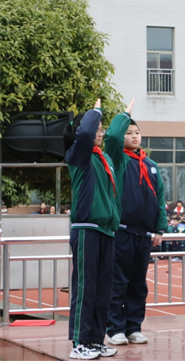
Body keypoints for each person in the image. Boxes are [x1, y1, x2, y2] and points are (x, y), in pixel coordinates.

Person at [104, 100, 167, 346]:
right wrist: (124, 116)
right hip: (121, 231)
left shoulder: (151, 165)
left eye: (137, 132)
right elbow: (111, 138)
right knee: (117, 282)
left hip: (143, 235)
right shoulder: (117, 160)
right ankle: (115, 328)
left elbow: (160, 198)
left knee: (138, 284)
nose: (134, 136)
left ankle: (133, 327)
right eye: (129, 133)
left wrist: (160, 228)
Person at [63, 99, 119, 359]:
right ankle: (79, 342)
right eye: (97, 129)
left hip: (106, 230)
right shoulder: (79, 155)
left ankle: (95, 339)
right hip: (87, 228)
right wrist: (95, 111)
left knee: (103, 289)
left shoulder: (103, 158)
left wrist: (125, 116)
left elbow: (116, 139)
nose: (100, 133)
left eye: (102, 129)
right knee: (85, 287)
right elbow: (85, 133)